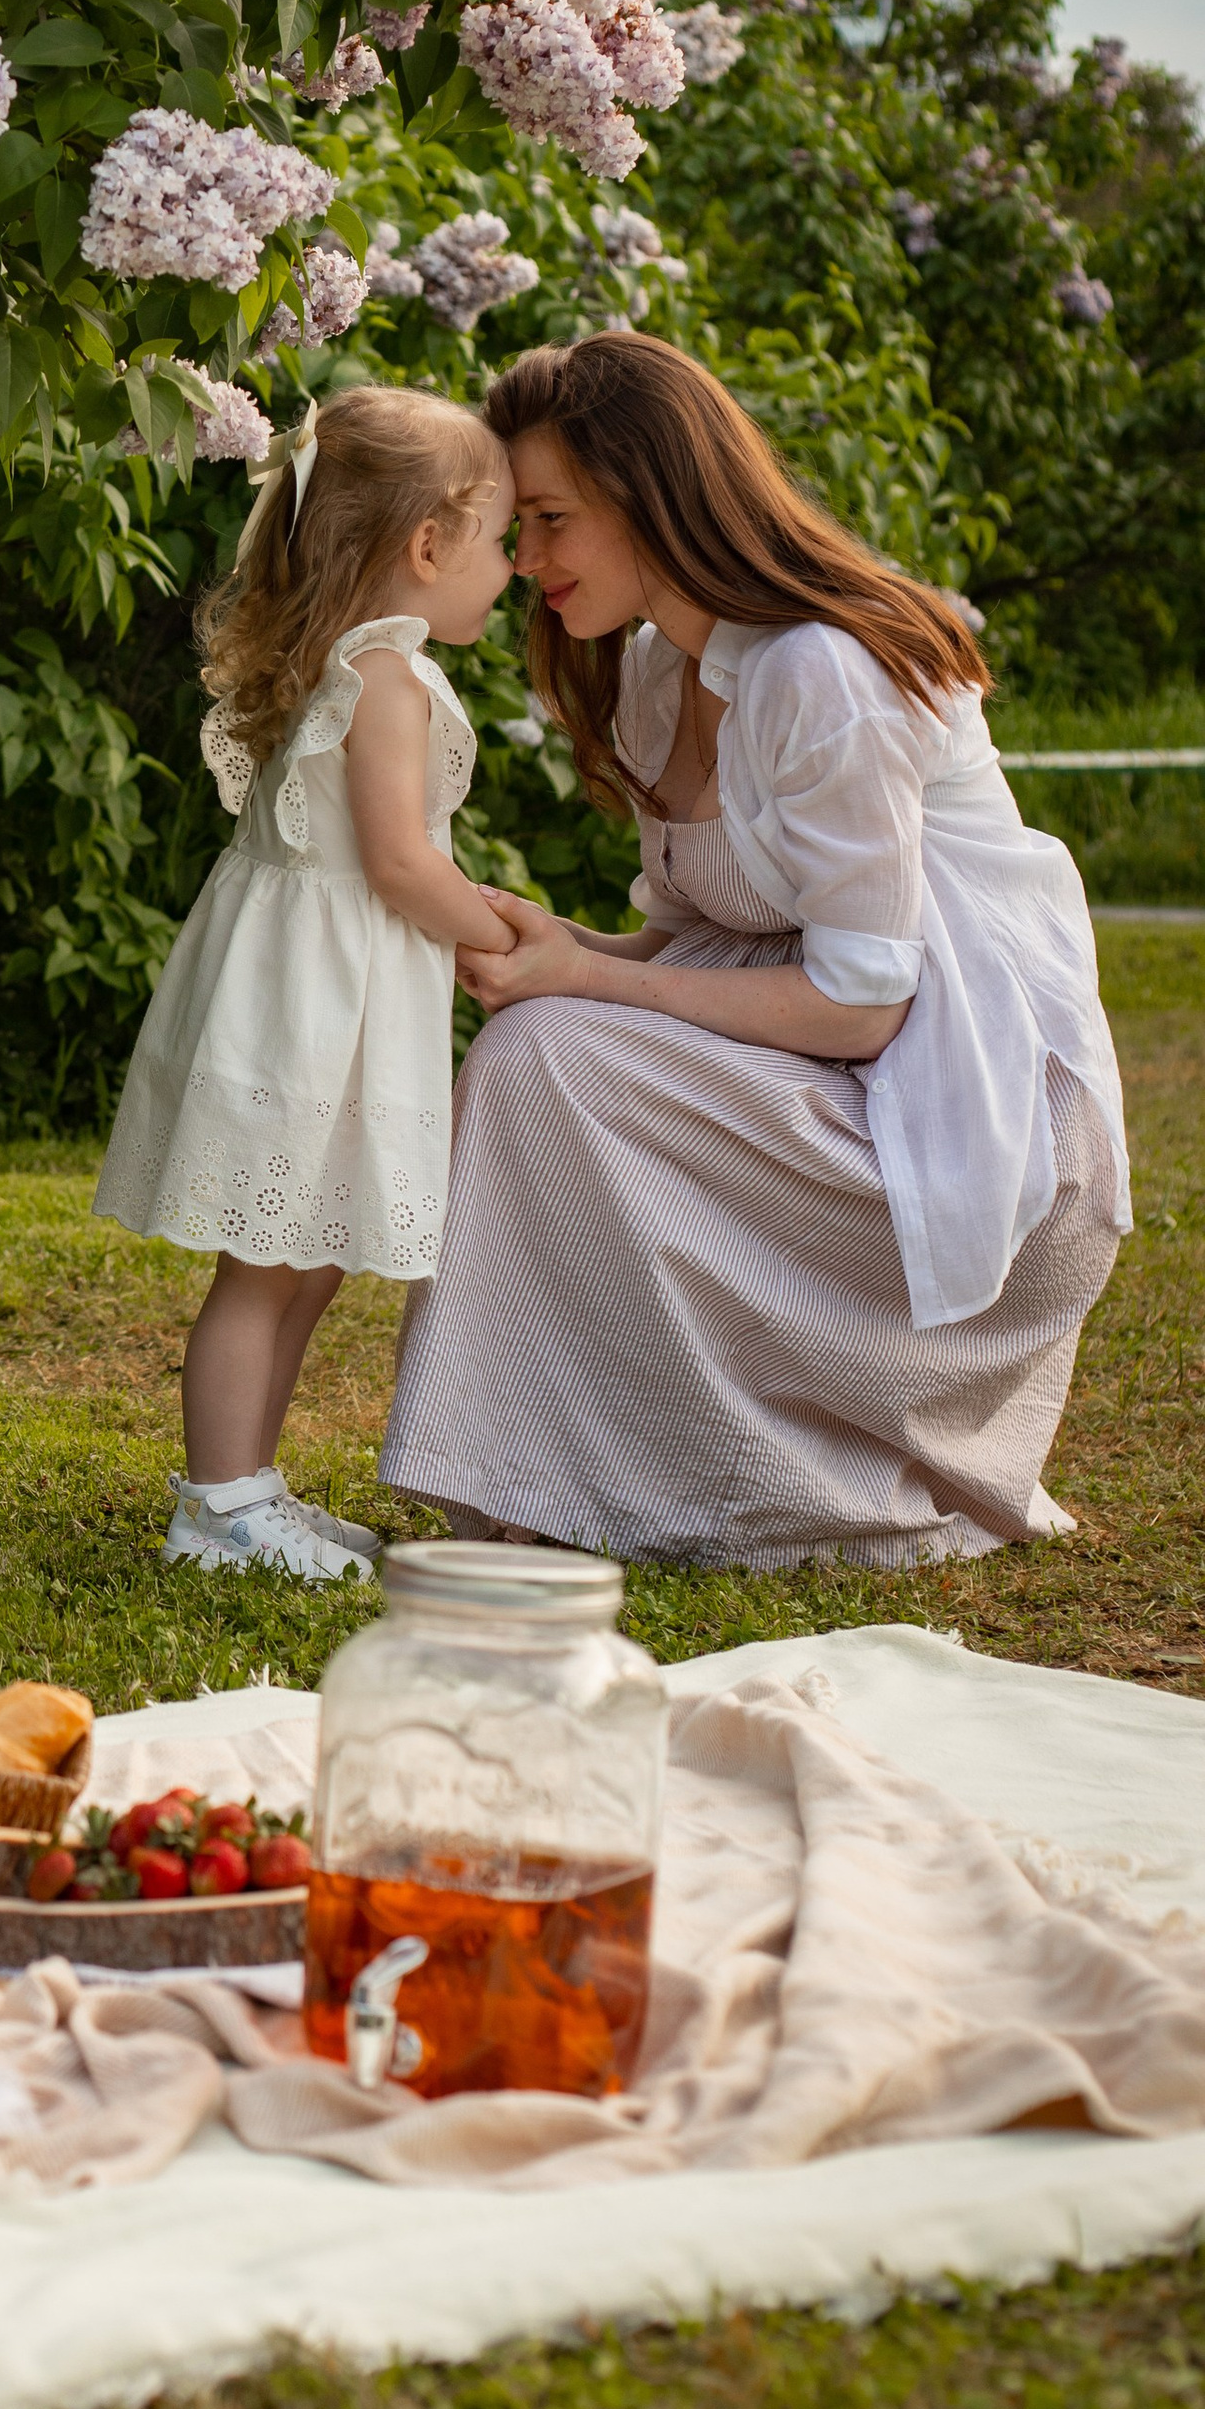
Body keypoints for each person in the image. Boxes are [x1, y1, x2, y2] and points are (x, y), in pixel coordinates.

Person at [385, 332, 1131, 1570]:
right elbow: (701, 945)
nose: (525, 564)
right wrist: (562, 940)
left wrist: (588, 979)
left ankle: (574, 1475)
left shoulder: (817, 671)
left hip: (958, 1109)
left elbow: (861, 1005)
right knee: (544, 1048)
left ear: (652, 493)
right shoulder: (656, 676)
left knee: (547, 1054)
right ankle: (553, 1471)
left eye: (552, 520)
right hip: (842, 1069)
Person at [94, 387, 520, 1583]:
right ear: (427, 545)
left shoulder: (349, 665)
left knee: (308, 1252)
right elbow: (395, 861)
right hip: (309, 1016)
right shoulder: (381, 678)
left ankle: (251, 1489)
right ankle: (217, 1504)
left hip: (327, 1002)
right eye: (498, 543)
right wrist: (491, 936)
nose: (509, 571)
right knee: (266, 1262)